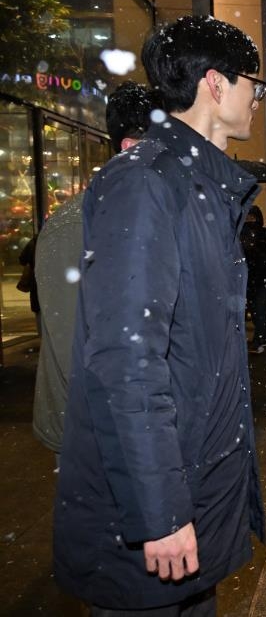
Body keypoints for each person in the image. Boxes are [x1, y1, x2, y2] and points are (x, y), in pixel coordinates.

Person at [53, 16, 266, 614]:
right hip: (156, 516)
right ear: (215, 85)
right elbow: (126, 359)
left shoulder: (201, 185)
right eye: (254, 82)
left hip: (194, 496)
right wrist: (161, 512)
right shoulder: (145, 183)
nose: (258, 96)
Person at [32, 81, 155, 462]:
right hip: (98, 439)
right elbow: (77, 347)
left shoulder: (137, 215)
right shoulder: (82, 224)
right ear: (132, 148)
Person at [240, 205, 266, 353]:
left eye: (252, 217)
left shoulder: (265, 235)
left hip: (261, 277)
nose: (250, 220)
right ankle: (263, 336)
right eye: (248, 217)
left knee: (260, 309)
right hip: (254, 277)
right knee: (256, 309)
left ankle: (260, 338)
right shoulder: (243, 235)